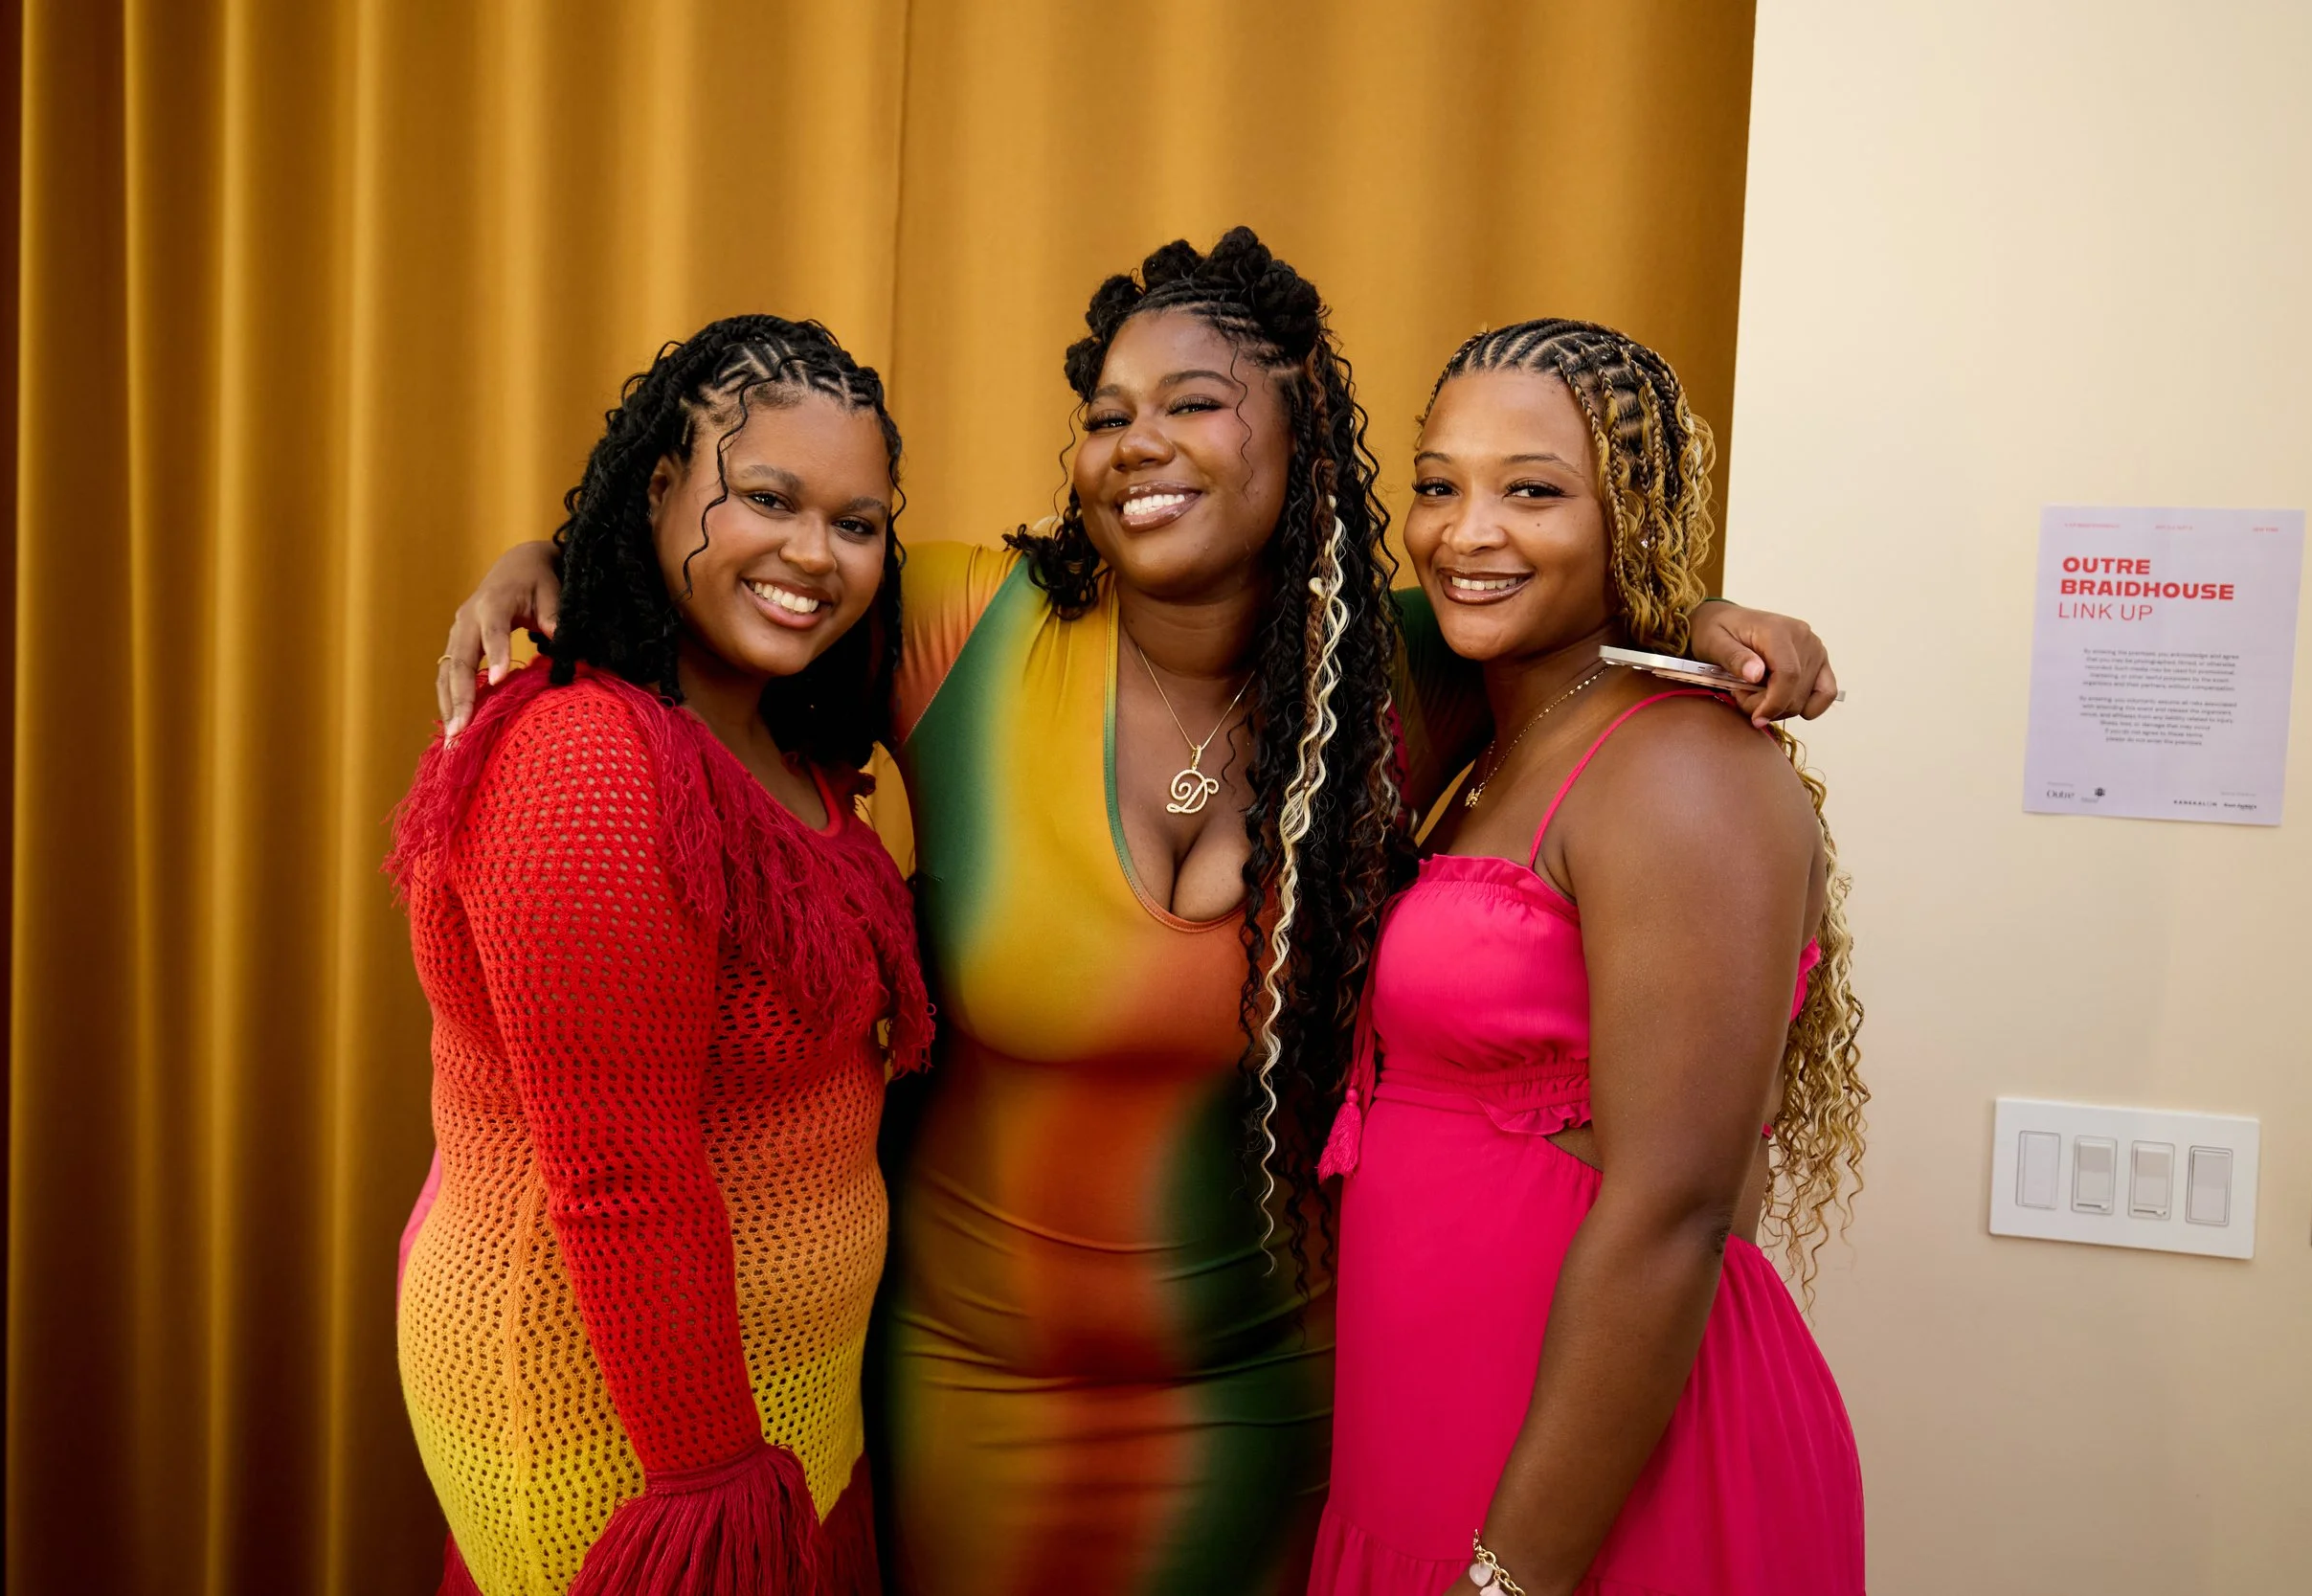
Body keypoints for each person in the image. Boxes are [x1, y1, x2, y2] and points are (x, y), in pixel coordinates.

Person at [438, 233, 1840, 1596]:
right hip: (965, 1386)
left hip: (1265, 1399)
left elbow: (1571, 635)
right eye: (1107, 413)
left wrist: (1707, 616)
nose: (1136, 441)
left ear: (1298, 438)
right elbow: (744, 587)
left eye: (1191, 403)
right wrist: (546, 563)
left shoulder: (1391, 678)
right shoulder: (957, 628)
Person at [1308, 319, 1868, 1596]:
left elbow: (1678, 1202)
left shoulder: (1682, 771)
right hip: (1432, 1426)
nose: (1467, 531)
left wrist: (1515, 1577)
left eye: (1536, 490)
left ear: (1636, 513)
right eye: (1440, 483)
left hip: (1591, 1475)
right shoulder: (1492, 730)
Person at [386, 315, 932, 1596]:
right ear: (660, 490)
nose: (815, 552)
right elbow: (620, 1176)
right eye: (767, 497)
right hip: (634, 1458)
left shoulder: (780, 740)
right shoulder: (581, 756)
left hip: (786, 1426)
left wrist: (543, 551)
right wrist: (711, 1494)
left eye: (857, 522)